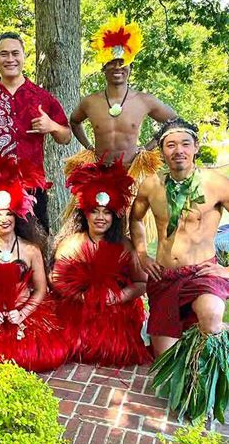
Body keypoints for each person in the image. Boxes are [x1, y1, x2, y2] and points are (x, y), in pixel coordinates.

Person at [130, 117, 229, 422]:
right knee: (164, 360)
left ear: (196, 147)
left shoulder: (216, 184)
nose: (179, 150)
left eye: (185, 143)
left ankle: (207, 386)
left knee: (212, 318)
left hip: (203, 273)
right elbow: (134, 219)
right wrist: (142, 253)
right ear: (162, 152)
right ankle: (186, 367)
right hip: (164, 277)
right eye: (170, 145)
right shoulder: (151, 185)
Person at [66, 15, 176, 241]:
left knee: (131, 228)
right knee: (96, 229)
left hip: (132, 173)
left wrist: (148, 147)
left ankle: (135, 270)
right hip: (100, 173)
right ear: (103, 69)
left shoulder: (144, 100)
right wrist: (88, 147)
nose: (117, 67)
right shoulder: (90, 102)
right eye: (112, 63)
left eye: (122, 63)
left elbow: (173, 121)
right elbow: (74, 121)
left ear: (130, 68)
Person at [0, 32, 72, 232]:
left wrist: (52, 126)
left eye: (15, 53)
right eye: (4, 54)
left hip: (31, 187)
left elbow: (66, 136)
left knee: (35, 246)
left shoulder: (42, 97)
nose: (10, 59)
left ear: (24, 56)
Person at [0, 156, 68, 372]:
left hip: (25, 312)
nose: (4, 219)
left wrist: (24, 313)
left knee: (39, 357)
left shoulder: (30, 249)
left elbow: (40, 289)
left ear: (17, 215)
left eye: (8, 213)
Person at [51, 158, 151, 367]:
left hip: (116, 310)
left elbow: (142, 283)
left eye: (106, 212)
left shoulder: (125, 245)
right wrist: (82, 297)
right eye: (94, 211)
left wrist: (118, 296)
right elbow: (56, 280)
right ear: (84, 213)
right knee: (73, 349)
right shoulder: (71, 244)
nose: (100, 217)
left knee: (116, 352)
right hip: (78, 309)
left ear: (114, 216)